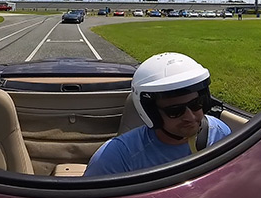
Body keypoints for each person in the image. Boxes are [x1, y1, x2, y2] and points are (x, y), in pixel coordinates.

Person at [84, 52, 232, 176]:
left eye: (196, 104)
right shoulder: (116, 157)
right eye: (175, 111)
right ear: (151, 113)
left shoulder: (219, 133)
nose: (190, 117)